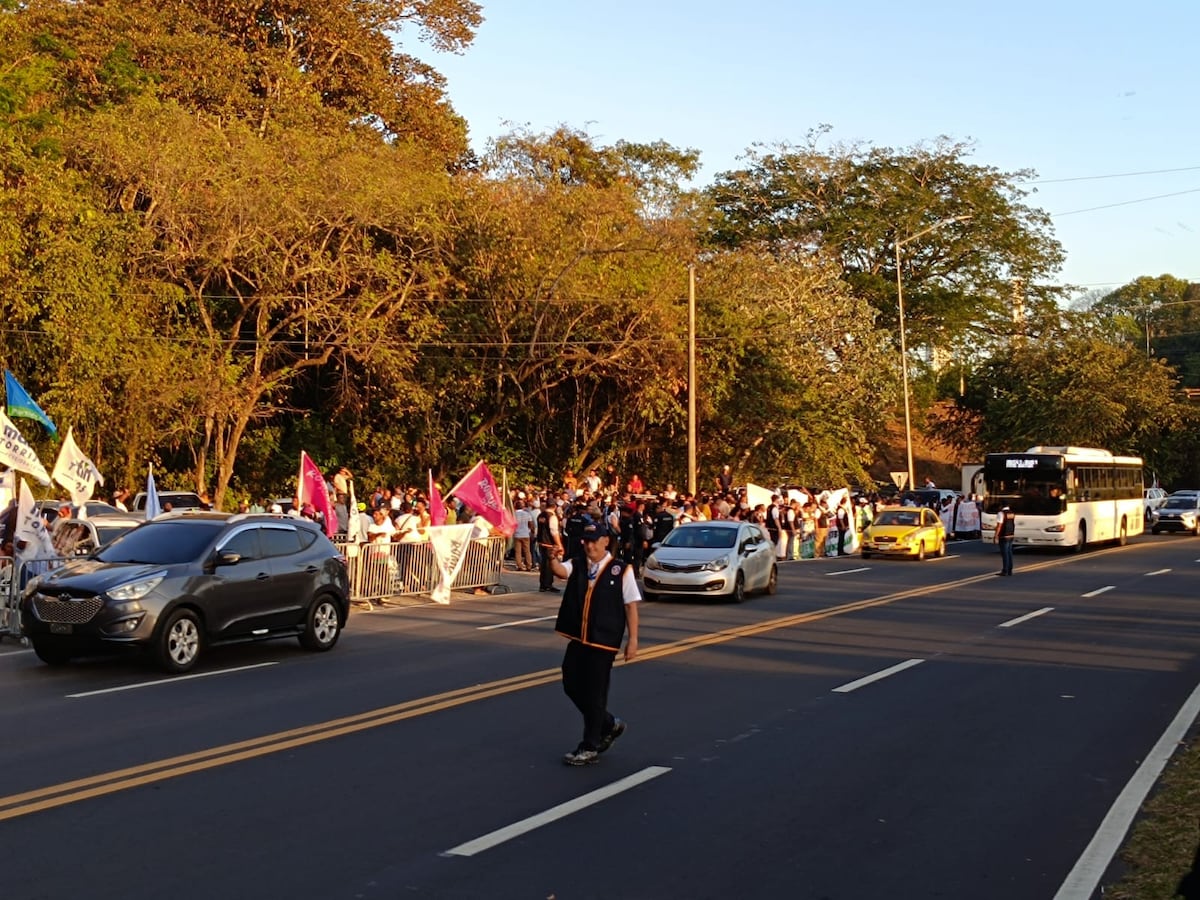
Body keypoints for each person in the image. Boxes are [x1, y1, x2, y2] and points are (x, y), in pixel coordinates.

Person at [550, 518, 641, 766]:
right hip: (580, 637)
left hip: (603, 641)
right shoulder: (579, 564)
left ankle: (589, 745)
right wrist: (553, 559)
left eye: (593, 541)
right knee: (570, 683)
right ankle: (608, 723)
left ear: (605, 541)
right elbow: (560, 572)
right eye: (586, 541)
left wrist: (632, 640)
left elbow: (631, 606)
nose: (589, 546)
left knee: (595, 693)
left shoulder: (620, 570)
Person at [994, 506, 1016, 575]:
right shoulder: (1012, 513)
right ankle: (1010, 569)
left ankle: (1005, 570)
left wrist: (996, 536)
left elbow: (999, 525)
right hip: (1011, 534)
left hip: (1004, 535)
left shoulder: (1001, 514)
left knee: (1005, 553)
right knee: (1009, 552)